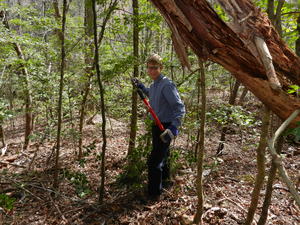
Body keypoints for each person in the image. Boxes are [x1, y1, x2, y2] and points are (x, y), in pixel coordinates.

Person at [132, 54, 185, 200]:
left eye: (155, 68)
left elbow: (179, 107)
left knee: (154, 161)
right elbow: (152, 95)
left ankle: (154, 194)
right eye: (149, 68)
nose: (152, 71)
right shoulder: (155, 84)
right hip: (157, 125)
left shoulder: (167, 84)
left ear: (161, 68)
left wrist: (174, 128)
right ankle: (166, 182)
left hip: (166, 126)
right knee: (163, 155)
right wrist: (142, 87)